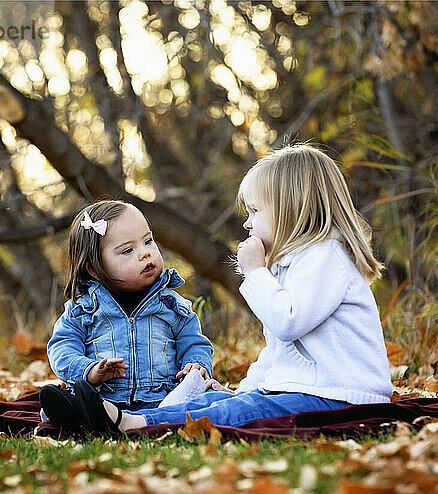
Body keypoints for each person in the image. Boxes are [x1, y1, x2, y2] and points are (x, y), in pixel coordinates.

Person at [45, 144, 393, 433]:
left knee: (240, 410)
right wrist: (241, 389)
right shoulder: (299, 263)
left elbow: (288, 323)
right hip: (312, 389)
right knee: (222, 403)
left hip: (340, 396)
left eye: (256, 210)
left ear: (291, 209)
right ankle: (93, 414)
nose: (247, 222)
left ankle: (131, 422)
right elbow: (281, 351)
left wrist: (255, 272)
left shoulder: (327, 256)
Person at [39, 200, 213, 426]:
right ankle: (80, 411)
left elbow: (195, 344)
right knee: (77, 396)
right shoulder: (83, 309)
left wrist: (196, 363)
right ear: (95, 268)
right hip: (104, 398)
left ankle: (168, 410)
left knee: (204, 397)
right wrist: (88, 371)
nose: (145, 254)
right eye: (128, 250)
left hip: (162, 398)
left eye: (148, 241)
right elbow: (61, 349)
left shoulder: (172, 305)